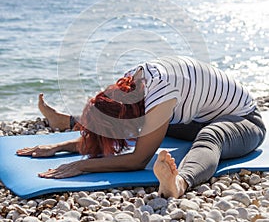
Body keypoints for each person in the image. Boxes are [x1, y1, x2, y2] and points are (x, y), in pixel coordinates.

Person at [17, 56, 266, 198]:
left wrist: (82, 165)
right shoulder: (130, 84)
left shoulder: (161, 91)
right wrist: (60, 147)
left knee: (211, 136)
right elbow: (111, 125)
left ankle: (179, 184)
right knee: (132, 124)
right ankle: (65, 121)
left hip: (243, 121)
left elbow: (137, 159)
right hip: (194, 117)